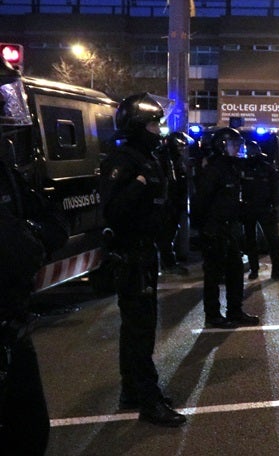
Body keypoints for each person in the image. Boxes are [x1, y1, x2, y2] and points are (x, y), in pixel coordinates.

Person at [98, 93, 186, 426]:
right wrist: (138, 184)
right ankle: (149, 401)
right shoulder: (123, 161)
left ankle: (132, 390)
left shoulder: (147, 158)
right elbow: (114, 210)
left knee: (137, 327)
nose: (158, 130)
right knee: (140, 330)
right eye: (152, 124)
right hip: (131, 254)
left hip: (145, 252)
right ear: (137, 126)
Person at [1, 81, 68, 451]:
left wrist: (28, 236)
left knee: (30, 428)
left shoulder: (7, 173)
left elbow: (53, 225)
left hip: (12, 324)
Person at [192, 127, 260, 329]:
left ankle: (235, 311)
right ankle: (213, 315)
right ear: (222, 145)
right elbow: (201, 200)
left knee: (235, 271)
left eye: (238, 144)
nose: (237, 148)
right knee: (213, 275)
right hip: (215, 228)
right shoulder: (214, 169)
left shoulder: (232, 167)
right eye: (233, 144)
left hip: (230, 227)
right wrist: (204, 228)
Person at [241, 140, 279, 281]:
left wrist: (273, 205)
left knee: (268, 241)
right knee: (260, 241)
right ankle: (262, 270)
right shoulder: (247, 166)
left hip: (261, 208)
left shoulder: (264, 168)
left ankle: (268, 270)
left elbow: (275, 188)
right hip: (254, 208)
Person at [156, 131, 191, 275]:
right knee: (166, 234)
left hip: (174, 202)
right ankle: (168, 263)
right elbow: (171, 182)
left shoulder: (176, 160)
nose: (182, 149)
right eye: (180, 147)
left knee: (170, 233)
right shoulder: (167, 159)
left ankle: (168, 261)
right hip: (168, 203)